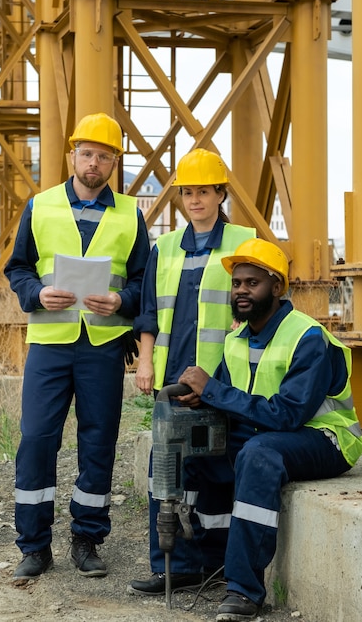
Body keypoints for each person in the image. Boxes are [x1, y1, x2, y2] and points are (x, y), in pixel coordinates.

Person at [174, 238, 362, 621]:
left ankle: (244, 590)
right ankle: (192, 566)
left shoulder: (307, 338)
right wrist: (203, 399)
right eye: (237, 283)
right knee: (188, 442)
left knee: (258, 456)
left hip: (325, 439)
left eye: (252, 283)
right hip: (270, 432)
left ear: (277, 287)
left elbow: (288, 414)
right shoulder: (236, 340)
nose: (242, 290)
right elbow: (232, 398)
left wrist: (213, 389)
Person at [4, 112, 150, 580]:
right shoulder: (41, 206)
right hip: (50, 340)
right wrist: (36, 294)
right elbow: (19, 268)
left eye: (103, 156)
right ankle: (34, 546)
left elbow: (143, 280)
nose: (93, 163)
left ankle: (87, 538)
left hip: (103, 346)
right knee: (36, 440)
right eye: (86, 153)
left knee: (98, 442)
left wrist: (122, 299)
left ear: (113, 163)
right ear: (72, 155)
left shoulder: (130, 214)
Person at [128, 148, 256, 596]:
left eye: (204, 191)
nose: (195, 199)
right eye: (188, 192)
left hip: (224, 381)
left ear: (221, 193)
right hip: (173, 381)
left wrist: (221, 384)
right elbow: (148, 313)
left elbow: (256, 312)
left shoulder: (244, 241)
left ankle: (216, 564)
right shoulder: (163, 248)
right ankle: (175, 567)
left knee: (217, 471)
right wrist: (145, 362)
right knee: (167, 472)